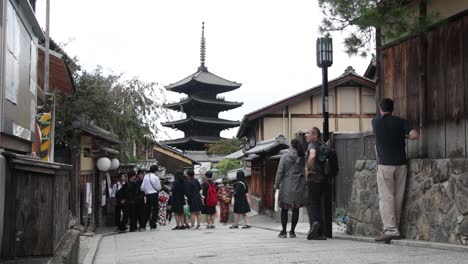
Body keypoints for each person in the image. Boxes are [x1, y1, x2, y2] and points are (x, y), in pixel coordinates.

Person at [372, 98, 419, 242]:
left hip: (385, 164)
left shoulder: (376, 122)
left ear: (381, 109)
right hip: (401, 164)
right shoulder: (400, 122)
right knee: (398, 196)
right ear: (392, 109)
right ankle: (395, 228)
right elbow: (415, 135)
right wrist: (403, 135)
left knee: (386, 197)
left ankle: (390, 230)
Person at [274, 137, 307, 238]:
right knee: (295, 209)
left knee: (284, 209)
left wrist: (276, 184)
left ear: (291, 145)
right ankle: (292, 231)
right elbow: (303, 172)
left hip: (286, 186)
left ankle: (283, 231)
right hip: (298, 186)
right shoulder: (302, 157)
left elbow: (280, 172)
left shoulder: (284, 156)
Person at [305, 127, 328, 240]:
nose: (305, 135)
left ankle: (316, 228)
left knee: (312, 204)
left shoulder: (312, 145)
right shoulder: (322, 145)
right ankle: (322, 233)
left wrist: (308, 169)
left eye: (308, 133)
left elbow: (312, 156)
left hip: (313, 178)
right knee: (320, 204)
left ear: (315, 136)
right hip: (323, 178)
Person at [140, 165, 161, 230]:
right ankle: (153, 225)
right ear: (155, 171)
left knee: (147, 210)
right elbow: (159, 187)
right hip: (154, 194)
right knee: (155, 210)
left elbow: (142, 188)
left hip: (147, 195)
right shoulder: (156, 178)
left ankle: (143, 226)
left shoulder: (146, 177)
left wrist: (147, 190)